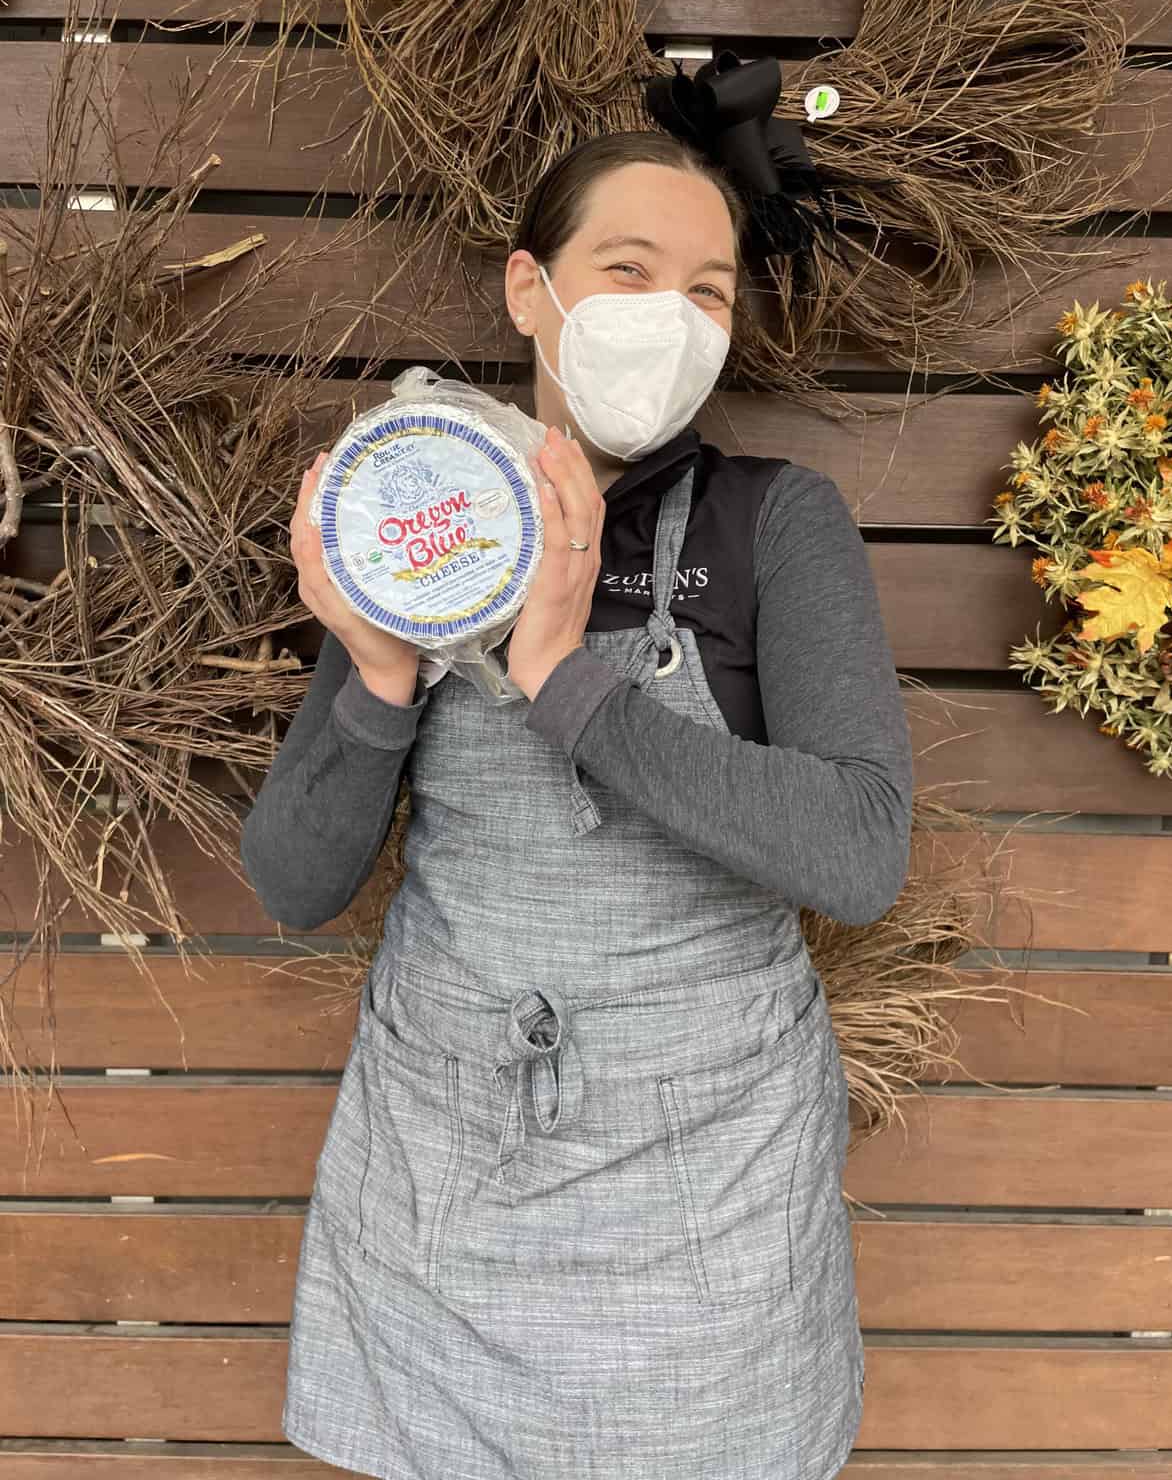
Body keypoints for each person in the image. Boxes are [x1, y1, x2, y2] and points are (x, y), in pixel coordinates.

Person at [240, 127, 914, 1480]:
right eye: (628, 268)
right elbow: (294, 881)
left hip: (711, 1190)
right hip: (448, 1180)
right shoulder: (427, 511)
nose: (670, 316)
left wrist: (558, 678)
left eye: (709, 291)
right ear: (527, 290)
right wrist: (377, 675)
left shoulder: (776, 523)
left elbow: (857, 849)